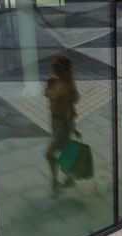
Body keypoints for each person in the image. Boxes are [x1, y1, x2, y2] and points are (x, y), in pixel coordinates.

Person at [44, 53, 80, 196]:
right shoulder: (55, 82)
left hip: (63, 125)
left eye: (54, 67)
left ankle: (55, 182)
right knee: (62, 153)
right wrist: (49, 85)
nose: (52, 68)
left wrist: (73, 129)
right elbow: (47, 95)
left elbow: (68, 113)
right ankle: (69, 178)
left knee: (49, 154)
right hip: (55, 122)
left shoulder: (67, 89)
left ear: (60, 70)